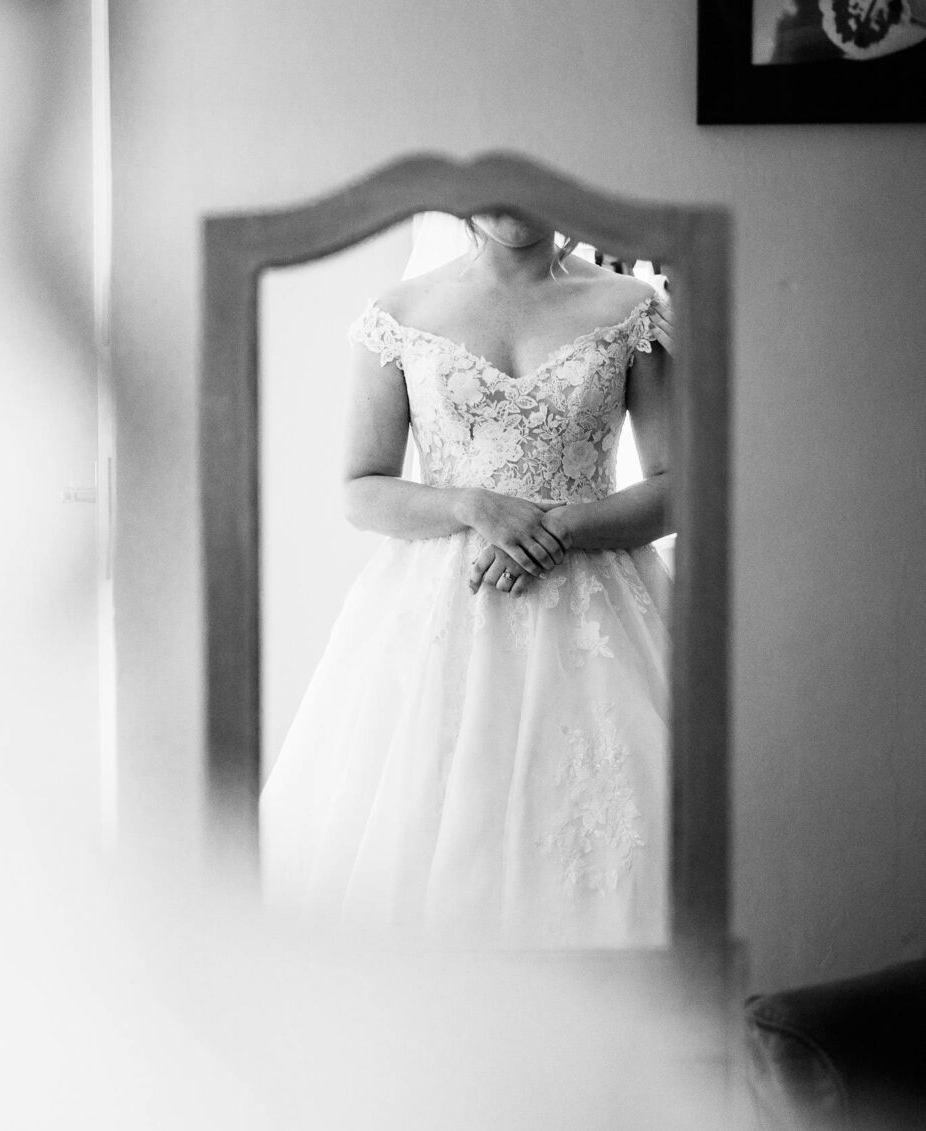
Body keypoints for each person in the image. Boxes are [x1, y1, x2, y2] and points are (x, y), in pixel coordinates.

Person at [259, 212, 673, 949]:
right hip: (438, 611)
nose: (510, 202)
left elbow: (679, 487)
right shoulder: (399, 314)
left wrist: (556, 528)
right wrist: (471, 505)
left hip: (598, 607)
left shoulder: (629, 308)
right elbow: (360, 489)